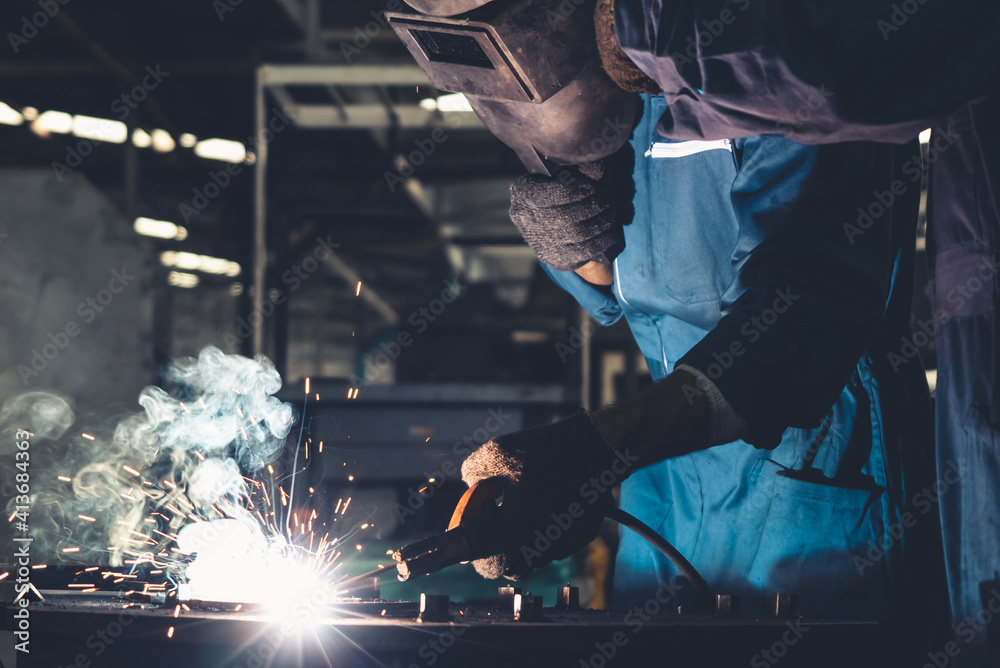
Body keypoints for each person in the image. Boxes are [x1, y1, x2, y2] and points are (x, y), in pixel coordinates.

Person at [460, 87, 947, 652]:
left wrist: (593, 450)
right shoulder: (609, 91)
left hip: (814, 458)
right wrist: (564, 229)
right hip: (667, 480)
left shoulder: (770, 57)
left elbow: (796, 319)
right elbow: (611, 292)